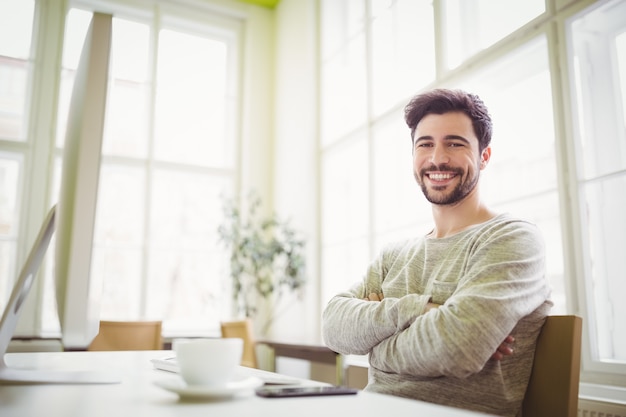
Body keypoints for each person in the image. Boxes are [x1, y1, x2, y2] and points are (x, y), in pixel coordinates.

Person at [322, 88, 552, 417]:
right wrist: (422, 311)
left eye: (455, 143)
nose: (437, 159)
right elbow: (333, 328)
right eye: (425, 144)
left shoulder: (512, 238)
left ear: (484, 156)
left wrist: (373, 346)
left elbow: (458, 349)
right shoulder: (394, 255)